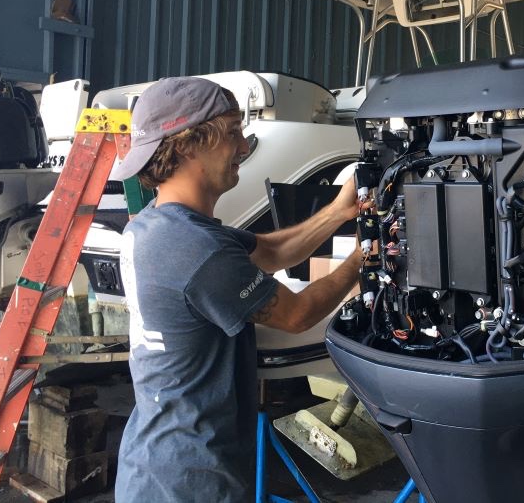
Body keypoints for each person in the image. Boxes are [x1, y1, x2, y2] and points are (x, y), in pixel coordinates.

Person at [110, 76, 363, 501]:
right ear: (188, 143)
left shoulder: (158, 225)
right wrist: (363, 261)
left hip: (157, 462)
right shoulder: (193, 248)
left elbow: (272, 250)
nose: (244, 147)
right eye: (231, 133)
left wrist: (340, 210)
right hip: (191, 479)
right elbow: (296, 315)